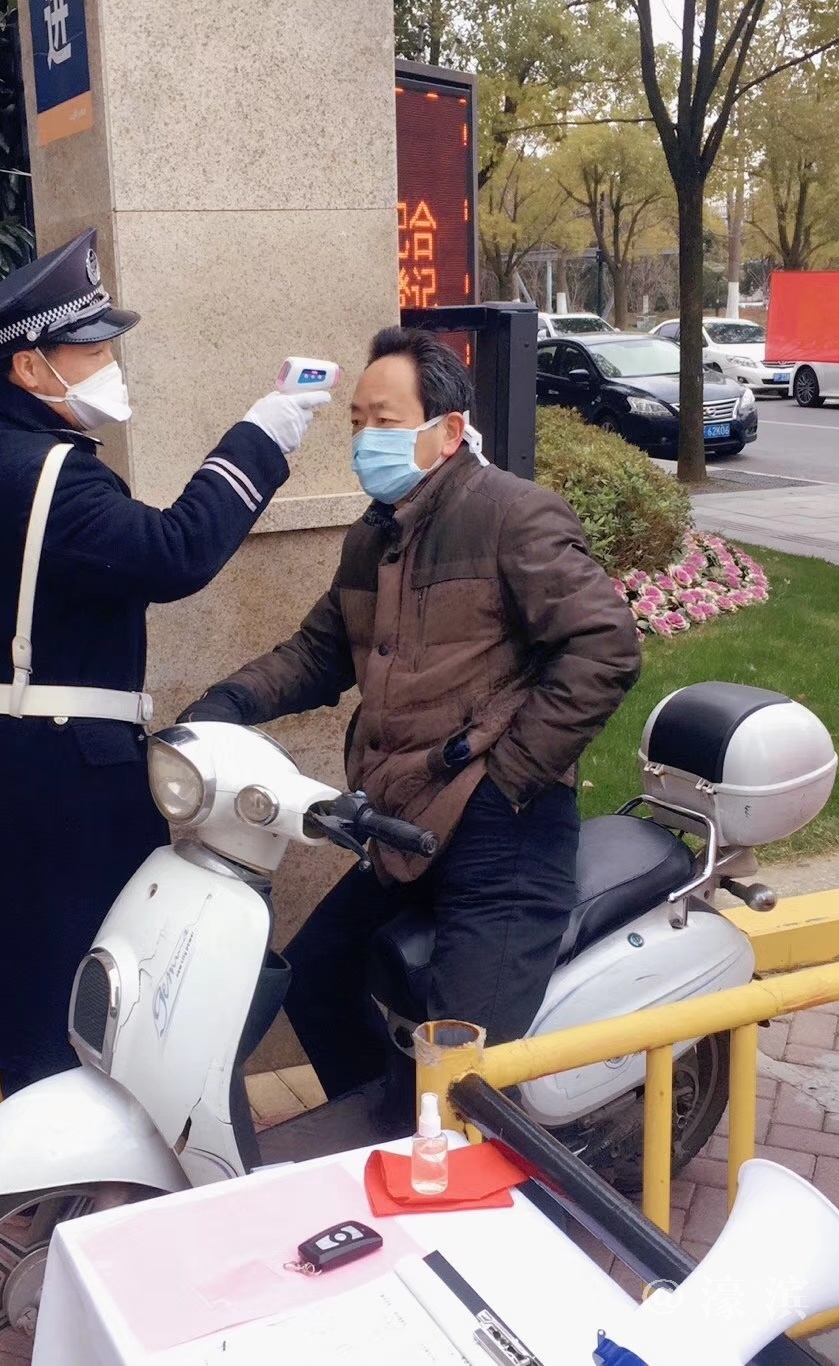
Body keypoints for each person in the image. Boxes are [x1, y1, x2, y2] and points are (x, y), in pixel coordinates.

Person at [181, 326, 641, 1102]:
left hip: (504, 835)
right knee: (316, 978)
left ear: (449, 431)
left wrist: (509, 777)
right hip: (405, 822)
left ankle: (456, 1153)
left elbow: (606, 644)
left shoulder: (511, 514)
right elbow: (319, 653)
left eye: (385, 421)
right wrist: (224, 708)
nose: (365, 439)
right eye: (357, 421)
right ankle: (391, 1129)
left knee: (460, 1069)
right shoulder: (376, 536)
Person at [0, 228, 329, 1094]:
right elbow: (175, 552)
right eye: (94, 351)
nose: (111, 366)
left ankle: (49, 1164)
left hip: (7, 759)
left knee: (33, 1001)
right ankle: (72, 1170)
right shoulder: (46, 473)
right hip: (57, 776)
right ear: (30, 367)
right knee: (73, 1002)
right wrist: (263, 435)